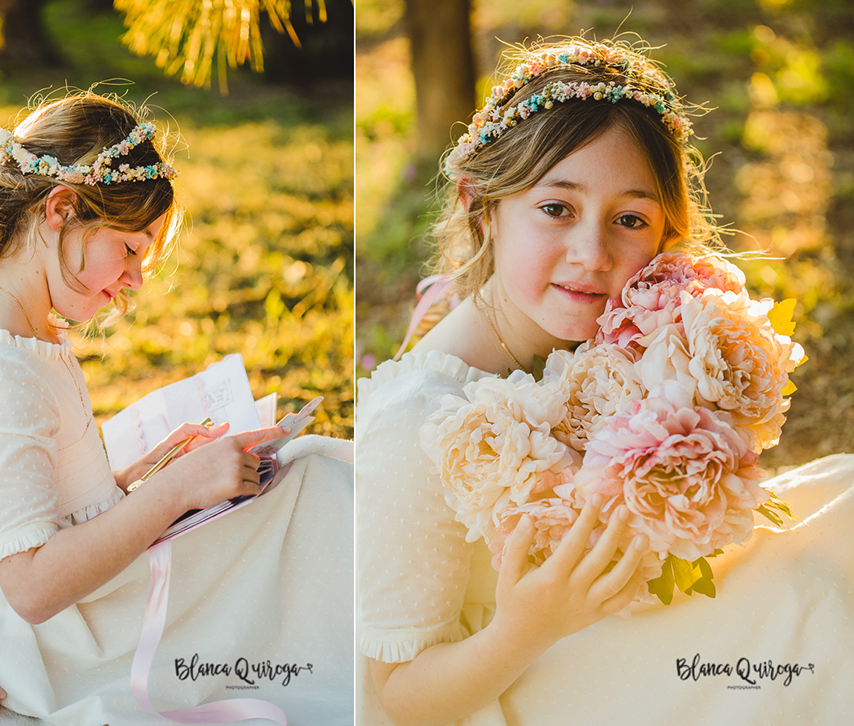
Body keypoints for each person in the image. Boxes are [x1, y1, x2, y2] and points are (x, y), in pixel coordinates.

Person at [356, 38, 854, 726]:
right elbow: (400, 698)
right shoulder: (418, 425)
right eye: (556, 208)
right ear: (483, 207)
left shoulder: (614, 336)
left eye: (629, 220)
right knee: (813, 614)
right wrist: (524, 627)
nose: (593, 255)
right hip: (547, 668)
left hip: (642, 617)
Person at [0, 92, 353, 725]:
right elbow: (32, 587)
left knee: (303, 479)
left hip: (75, 605)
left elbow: (30, 504)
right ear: (61, 210)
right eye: (130, 248)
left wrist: (142, 473)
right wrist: (173, 491)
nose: (138, 278)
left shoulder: (24, 329)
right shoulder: (1, 370)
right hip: (63, 639)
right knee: (309, 487)